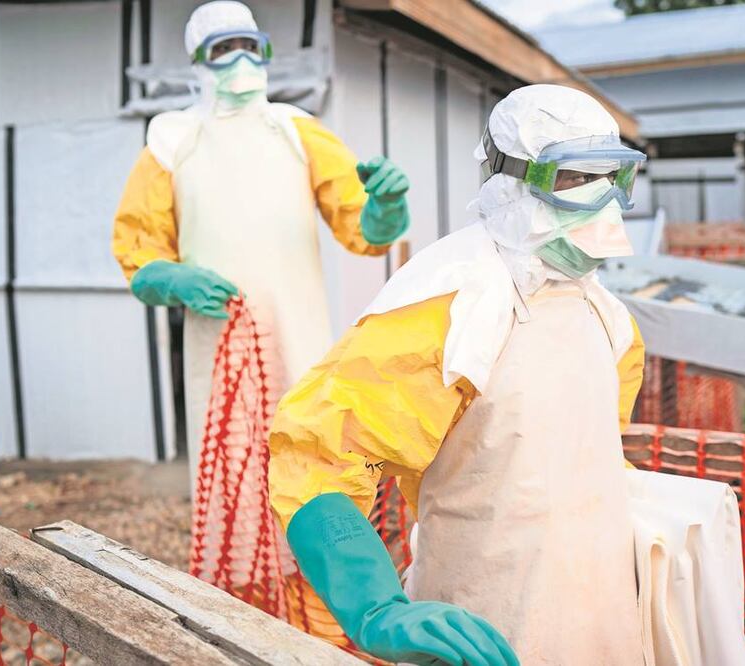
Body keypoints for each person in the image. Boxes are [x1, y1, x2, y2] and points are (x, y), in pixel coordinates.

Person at [269, 84, 650, 665]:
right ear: (512, 180)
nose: (601, 202)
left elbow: (588, 458)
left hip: (603, 615)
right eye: (574, 179)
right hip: (480, 621)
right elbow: (318, 458)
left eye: (612, 179)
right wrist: (375, 607)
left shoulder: (608, 318)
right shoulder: (451, 302)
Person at [111, 0, 409, 490]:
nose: (240, 61)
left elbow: (360, 228)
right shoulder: (171, 141)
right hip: (220, 341)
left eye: (250, 47)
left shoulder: (299, 132)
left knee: (307, 455)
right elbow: (138, 245)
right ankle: (241, 568)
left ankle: (303, 568)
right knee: (232, 469)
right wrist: (170, 278)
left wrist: (385, 209)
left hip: (299, 330)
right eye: (223, 49)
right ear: (200, 62)